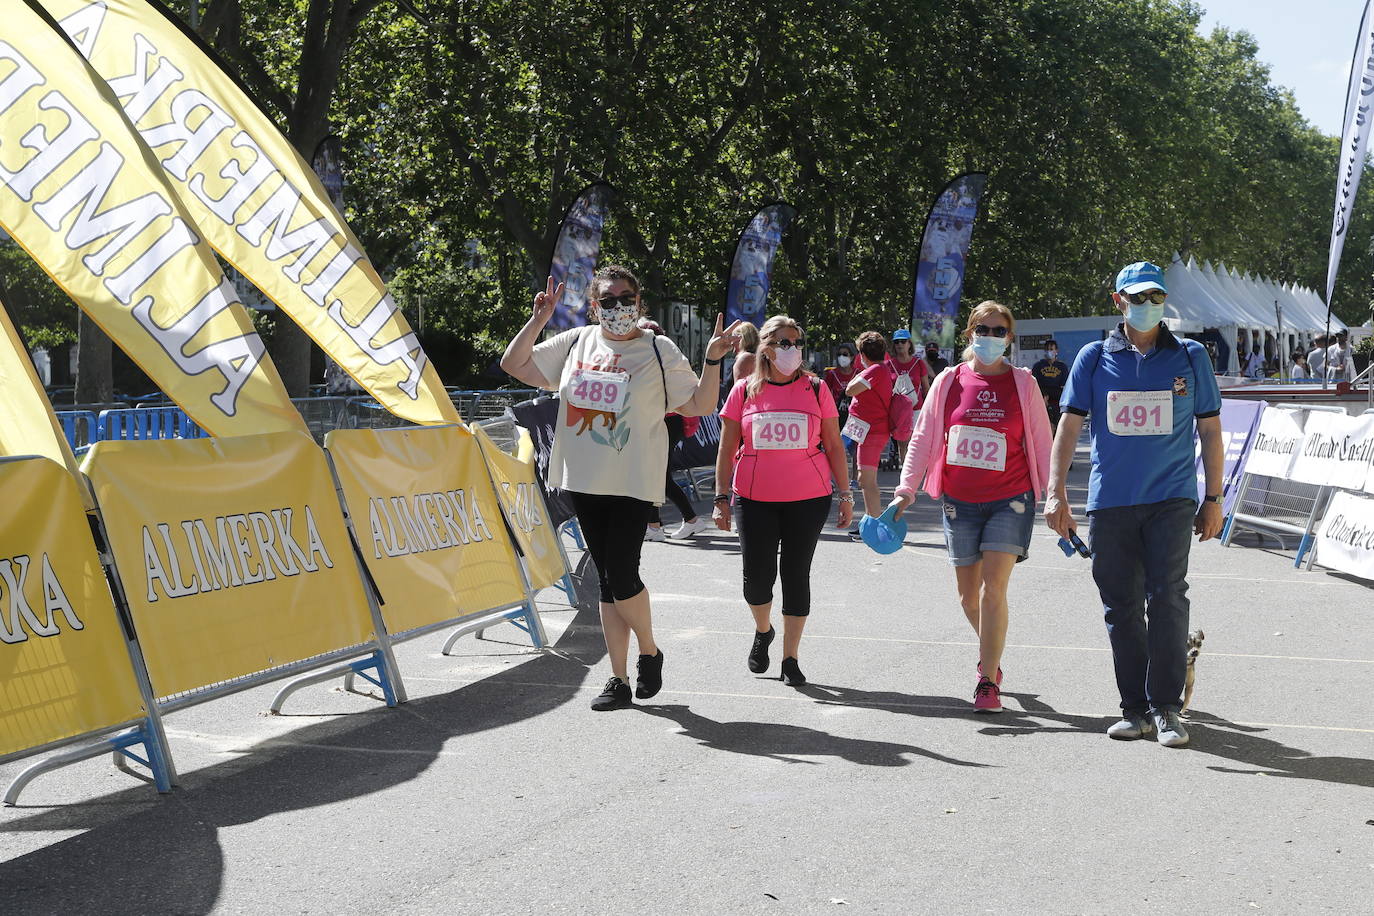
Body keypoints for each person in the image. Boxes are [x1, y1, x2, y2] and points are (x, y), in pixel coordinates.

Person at [500, 266, 739, 710]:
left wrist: (711, 359)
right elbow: (514, 365)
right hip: (584, 479)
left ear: (638, 301)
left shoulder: (657, 347)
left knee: (622, 576)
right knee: (609, 583)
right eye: (606, 300)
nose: (616, 307)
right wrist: (538, 319)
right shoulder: (577, 341)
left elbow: (702, 404)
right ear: (594, 306)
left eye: (625, 298)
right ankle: (618, 679)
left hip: (632, 480)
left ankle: (649, 651)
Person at [1044, 261, 1224, 748]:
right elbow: (1068, 427)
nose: (1147, 306)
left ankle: (1167, 708)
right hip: (1112, 502)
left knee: (1166, 596)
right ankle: (1135, 709)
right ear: (1117, 300)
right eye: (1137, 298)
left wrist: (1214, 498)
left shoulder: (1190, 356)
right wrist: (1056, 492)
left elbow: (1209, 429)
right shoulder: (1093, 357)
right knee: (1120, 605)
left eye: (1155, 297)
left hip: (1173, 499)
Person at [889, 302, 1052, 713]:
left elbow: (1043, 440)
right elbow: (924, 438)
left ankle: (986, 679)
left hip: (1011, 499)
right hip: (960, 502)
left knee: (993, 588)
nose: (991, 336)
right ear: (970, 334)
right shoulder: (948, 381)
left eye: (1000, 330)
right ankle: (993, 656)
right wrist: (905, 490)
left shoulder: (1024, 384)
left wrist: (1055, 497)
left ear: (1009, 338)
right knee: (968, 598)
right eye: (984, 328)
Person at [714, 316, 854, 686]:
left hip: (808, 498)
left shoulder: (817, 388)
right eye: (782, 342)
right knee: (757, 582)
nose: (790, 349)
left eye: (795, 342)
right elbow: (728, 447)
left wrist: (846, 494)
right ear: (765, 347)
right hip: (754, 498)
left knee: (796, 575)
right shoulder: (744, 391)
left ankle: (790, 658)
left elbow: (835, 444)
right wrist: (720, 497)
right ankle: (764, 631)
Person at [637, 319, 709, 543]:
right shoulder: (664, 355)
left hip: (665, 421)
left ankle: (684, 521)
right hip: (670, 421)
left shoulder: (653, 358)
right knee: (655, 475)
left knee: (655, 476)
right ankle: (661, 524)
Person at [845, 331, 899, 537]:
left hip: (872, 432)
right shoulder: (880, 369)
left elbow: (850, 389)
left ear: (862, 354)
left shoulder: (875, 370)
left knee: (866, 480)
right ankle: (870, 521)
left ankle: (873, 524)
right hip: (867, 430)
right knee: (865, 479)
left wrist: (860, 373)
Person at [886, 328, 931, 465]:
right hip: (898, 410)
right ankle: (904, 468)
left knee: (915, 439)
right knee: (902, 441)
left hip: (916, 408)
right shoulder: (889, 364)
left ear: (909, 344)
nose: (900, 344)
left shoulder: (918, 363)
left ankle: (912, 467)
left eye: (903, 341)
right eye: (897, 342)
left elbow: (926, 387)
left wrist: (930, 408)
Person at [1030, 339, 1069, 429]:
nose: (1049, 351)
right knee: (1046, 424)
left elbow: (1064, 385)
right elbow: (1035, 383)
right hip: (1042, 396)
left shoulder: (1062, 366)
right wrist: (1043, 396)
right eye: (1047, 349)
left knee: (1058, 423)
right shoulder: (1038, 366)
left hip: (1057, 397)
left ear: (1056, 351)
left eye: (1052, 349)